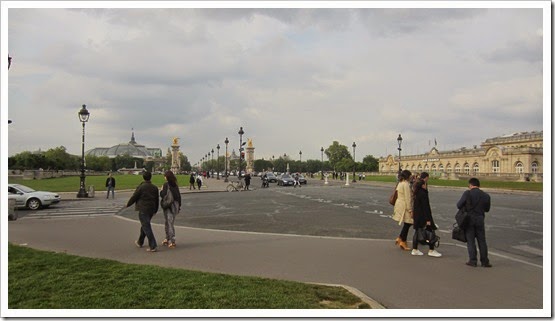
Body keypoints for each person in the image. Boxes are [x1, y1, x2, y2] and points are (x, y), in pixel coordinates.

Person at [457, 178, 492, 267]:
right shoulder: (485, 195)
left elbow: (459, 205)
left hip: (469, 219)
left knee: (471, 240)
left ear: (470, 185)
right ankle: (485, 261)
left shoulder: (467, 193)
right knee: (482, 241)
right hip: (480, 219)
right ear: (478, 185)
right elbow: (487, 209)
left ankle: (473, 260)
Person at [126, 171, 159, 252]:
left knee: (146, 226)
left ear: (143, 177)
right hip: (151, 209)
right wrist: (156, 210)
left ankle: (153, 245)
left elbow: (134, 196)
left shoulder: (141, 187)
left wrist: (128, 204)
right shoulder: (154, 187)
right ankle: (140, 242)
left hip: (143, 209)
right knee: (145, 225)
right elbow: (157, 200)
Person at [411, 178, 442, 257]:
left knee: (417, 232)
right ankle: (431, 250)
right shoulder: (423, 194)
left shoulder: (416, 193)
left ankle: (415, 249)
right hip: (423, 216)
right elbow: (426, 207)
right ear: (423, 185)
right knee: (430, 232)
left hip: (417, 216)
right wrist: (428, 219)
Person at [392, 170, 413, 251]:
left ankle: (400, 238)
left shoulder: (400, 183)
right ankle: (403, 241)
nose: (411, 176)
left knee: (407, 223)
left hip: (399, 204)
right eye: (410, 175)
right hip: (404, 205)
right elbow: (408, 198)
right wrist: (410, 209)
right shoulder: (406, 184)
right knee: (409, 222)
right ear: (408, 176)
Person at [160, 170, 181, 249]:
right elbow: (178, 196)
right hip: (175, 205)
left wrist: (161, 190)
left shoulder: (166, 185)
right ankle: (167, 238)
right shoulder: (175, 185)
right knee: (168, 223)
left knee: (169, 223)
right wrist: (179, 206)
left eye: (165, 176)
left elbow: (163, 195)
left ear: (167, 177)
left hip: (168, 206)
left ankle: (172, 241)